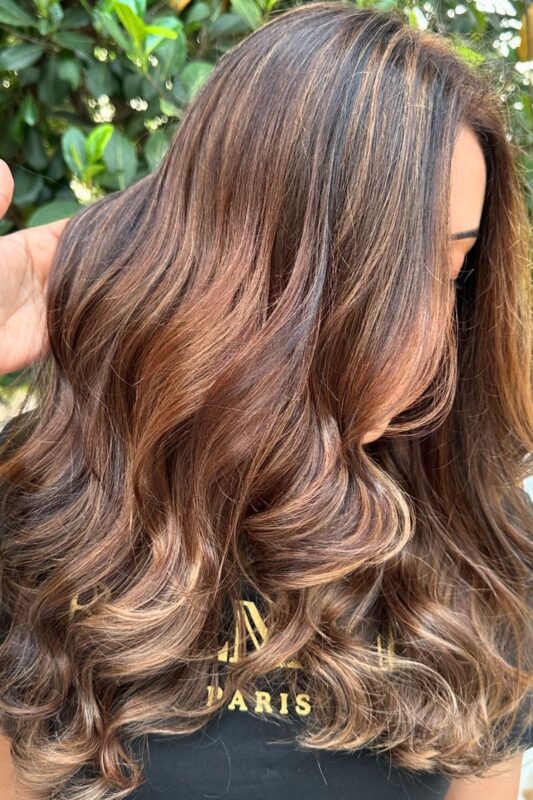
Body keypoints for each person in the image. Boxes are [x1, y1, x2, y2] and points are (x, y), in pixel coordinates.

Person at [0, 3, 532, 799]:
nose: (430, 339)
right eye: (383, 278)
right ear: (243, 269)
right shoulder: (41, 512)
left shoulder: (480, 544)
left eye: (450, 277)